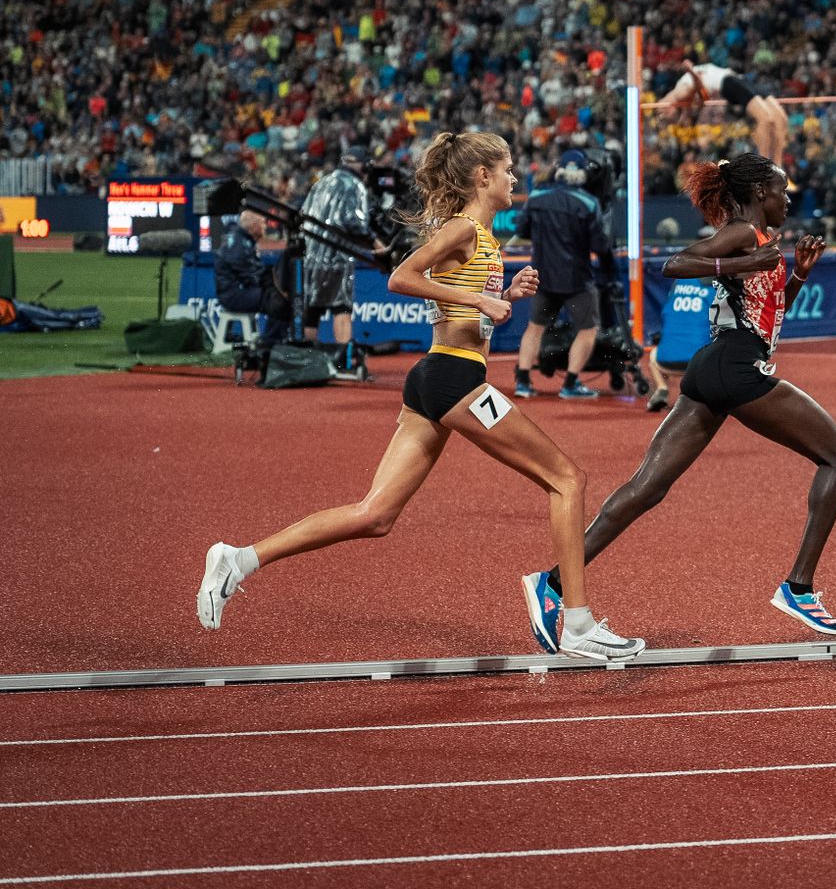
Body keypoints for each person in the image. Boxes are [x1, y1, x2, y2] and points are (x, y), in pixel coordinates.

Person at [195, 131, 642, 661]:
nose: (514, 179)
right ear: (483, 177)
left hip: (438, 377)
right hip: (455, 380)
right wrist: (479, 296)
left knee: (375, 515)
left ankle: (239, 558)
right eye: (507, 170)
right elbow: (401, 277)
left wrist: (503, 296)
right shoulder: (462, 227)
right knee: (568, 479)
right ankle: (576, 623)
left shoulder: (481, 235)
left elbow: (466, 315)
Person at [522, 152, 836, 644]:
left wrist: (798, 275)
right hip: (736, 369)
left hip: (713, 368)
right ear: (761, 194)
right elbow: (674, 264)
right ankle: (799, 588)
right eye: (783, 192)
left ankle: (551, 583)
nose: (789, 200)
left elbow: (762, 303)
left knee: (648, 487)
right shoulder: (745, 233)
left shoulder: (761, 240)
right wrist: (745, 259)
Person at [514, 149, 616, 400]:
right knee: (588, 329)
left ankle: (523, 383)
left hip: (543, 276)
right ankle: (570, 384)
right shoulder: (589, 203)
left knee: (534, 328)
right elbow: (600, 246)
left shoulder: (536, 196)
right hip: (576, 279)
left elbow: (522, 230)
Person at [299, 146, 386, 372]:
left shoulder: (322, 182)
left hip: (310, 255)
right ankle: (343, 360)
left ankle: (309, 359)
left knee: (312, 308)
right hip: (336, 257)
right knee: (341, 306)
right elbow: (353, 222)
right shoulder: (354, 186)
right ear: (363, 165)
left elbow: (303, 214)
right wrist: (377, 243)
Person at [658, 60, 788, 164]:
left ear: (667, 109)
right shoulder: (681, 97)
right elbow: (696, 97)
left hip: (730, 81)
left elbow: (700, 89)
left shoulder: (682, 92)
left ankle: (774, 168)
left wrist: (692, 72)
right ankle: (768, 168)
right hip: (731, 81)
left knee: (779, 118)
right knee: (767, 118)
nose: (675, 118)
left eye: (670, 117)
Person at [213, 210, 291, 347]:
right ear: (253, 226)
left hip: (238, 290)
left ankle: (276, 339)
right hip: (234, 294)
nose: (265, 227)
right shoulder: (238, 244)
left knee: (280, 297)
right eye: (262, 224)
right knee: (279, 301)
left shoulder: (243, 240)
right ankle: (269, 342)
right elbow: (253, 276)